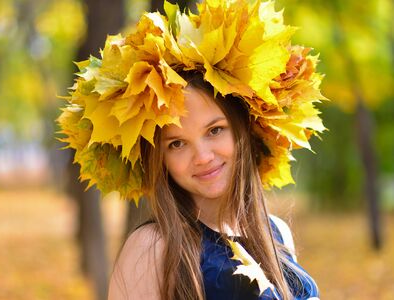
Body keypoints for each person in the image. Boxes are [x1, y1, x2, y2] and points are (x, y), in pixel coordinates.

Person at [58, 0, 326, 299]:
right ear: (161, 160)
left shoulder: (275, 232)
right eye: (177, 144)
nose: (202, 157)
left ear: (243, 130)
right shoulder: (153, 248)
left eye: (215, 130)